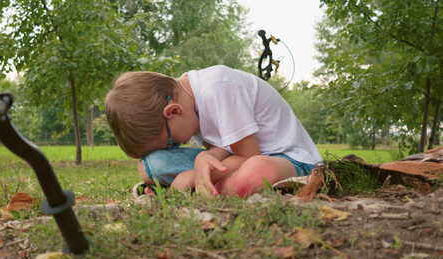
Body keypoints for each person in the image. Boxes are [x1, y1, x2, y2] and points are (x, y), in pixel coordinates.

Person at [106, 65, 322, 198]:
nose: (177, 147)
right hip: (238, 158)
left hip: (286, 159)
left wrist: (193, 174)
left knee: (255, 172)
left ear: (173, 111)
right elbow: (225, 149)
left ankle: (197, 188)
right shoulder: (190, 106)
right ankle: (206, 186)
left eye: (171, 143)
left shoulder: (219, 87)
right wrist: (205, 157)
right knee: (152, 165)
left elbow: (249, 156)